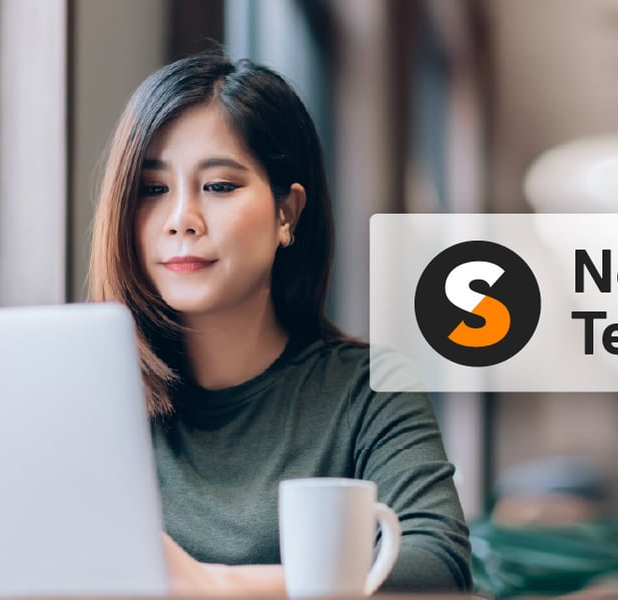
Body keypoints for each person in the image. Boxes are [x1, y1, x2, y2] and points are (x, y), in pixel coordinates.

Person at [87, 50, 472, 595]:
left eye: (219, 186)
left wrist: (223, 587)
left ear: (286, 214)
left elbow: (438, 570)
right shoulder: (88, 399)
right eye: (153, 190)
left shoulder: (365, 389)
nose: (181, 221)